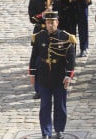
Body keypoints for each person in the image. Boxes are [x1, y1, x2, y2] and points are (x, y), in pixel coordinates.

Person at [29, 11, 76, 139]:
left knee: (60, 105)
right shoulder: (39, 37)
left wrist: (68, 75)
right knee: (45, 106)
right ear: (45, 23)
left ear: (57, 22)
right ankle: (46, 132)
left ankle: (59, 129)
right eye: (48, 23)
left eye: (52, 22)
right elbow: (34, 57)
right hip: (43, 75)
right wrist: (32, 74)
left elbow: (71, 59)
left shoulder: (66, 38)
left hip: (59, 75)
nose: (50, 25)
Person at [28, 0, 53, 100]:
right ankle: (38, 89)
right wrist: (43, 14)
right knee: (38, 62)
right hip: (39, 32)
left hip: (51, 33)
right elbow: (32, 19)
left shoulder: (54, 1)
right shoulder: (34, 1)